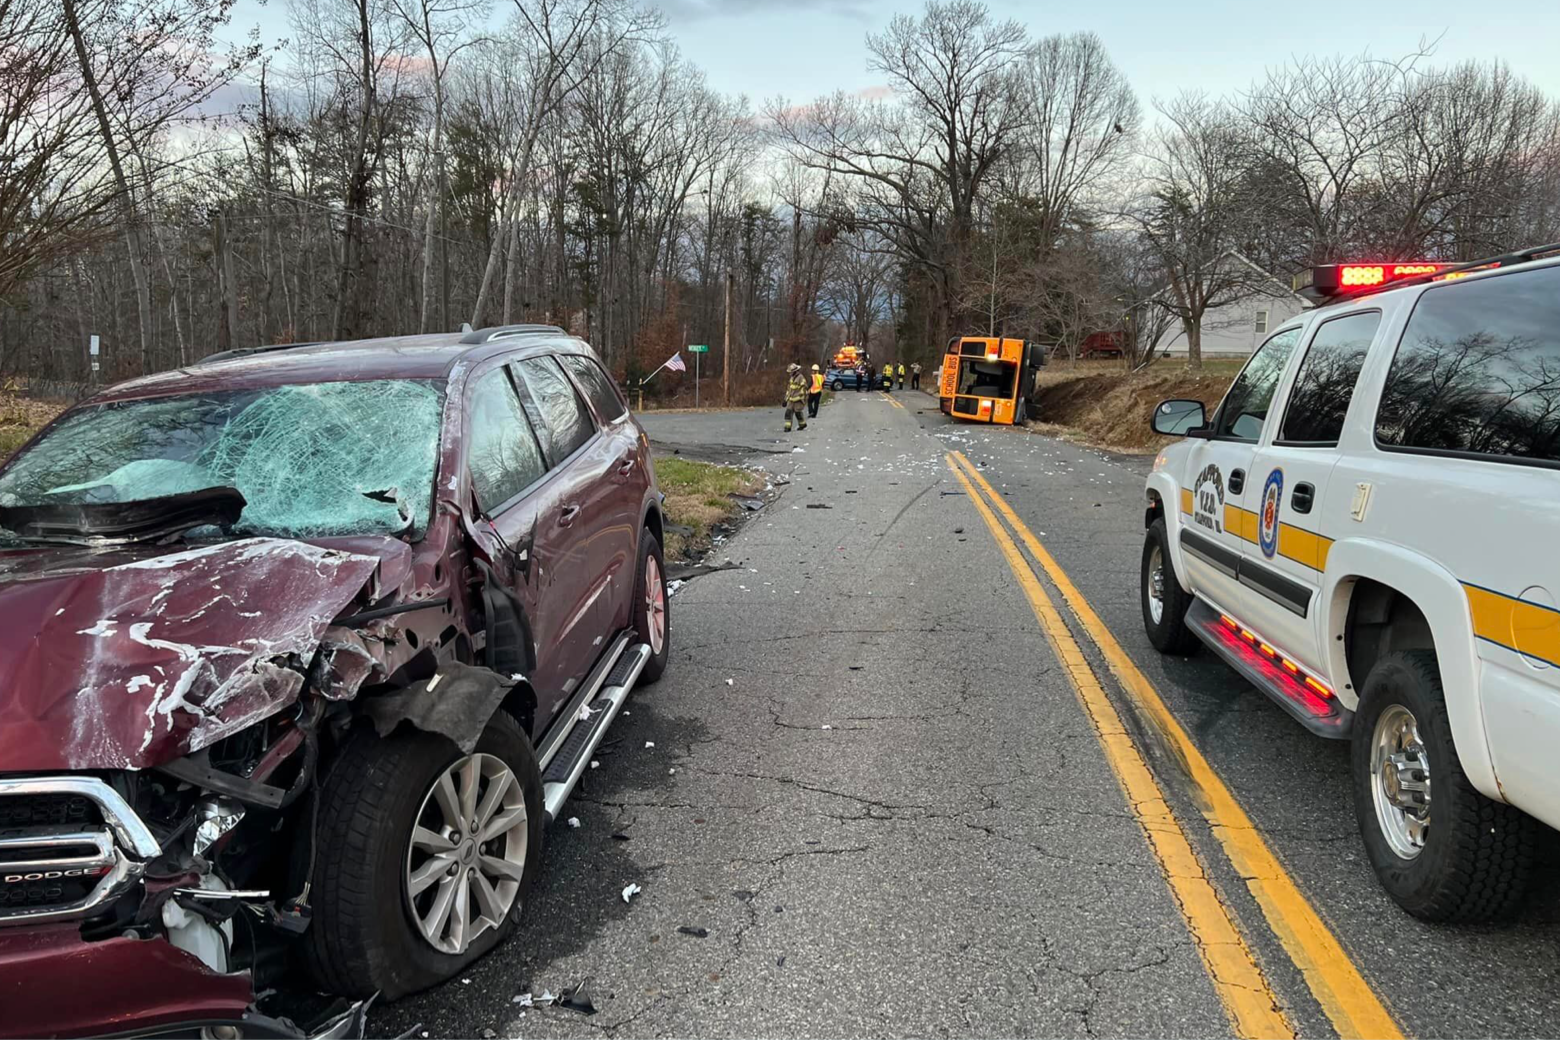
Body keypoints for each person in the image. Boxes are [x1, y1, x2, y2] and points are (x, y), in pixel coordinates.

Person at [783, 363, 808, 431]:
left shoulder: (801, 378)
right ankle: (787, 427)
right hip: (791, 400)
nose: (789, 373)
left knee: (798, 413)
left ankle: (802, 425)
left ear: (794, 371)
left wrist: (800, 398)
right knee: (788, 413)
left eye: (790, 372)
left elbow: (804, 389)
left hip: (798, 400)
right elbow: (789, 389)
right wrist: (785, 399)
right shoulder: (791, 378)